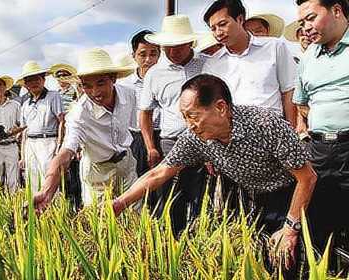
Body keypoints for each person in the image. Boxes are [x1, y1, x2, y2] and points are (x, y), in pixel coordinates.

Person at [112, 74, 317, 274]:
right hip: (251, 199)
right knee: (258, 263)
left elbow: (307, 177)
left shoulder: (266, 125)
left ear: (221, 107)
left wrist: (291, 228)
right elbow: (159, 172)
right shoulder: (195, 138)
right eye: (184, 117)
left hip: (292, 198)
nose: (189, 125)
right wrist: (120, 203)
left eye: (193, 116)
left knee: (292, 262)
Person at [33, 48, 137, 209]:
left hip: (126, 163)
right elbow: (66, 152)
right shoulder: (79, 113)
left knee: (134, 216)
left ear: (113, 78)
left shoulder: (129, 95)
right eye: (87, 86)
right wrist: (47, 190)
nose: (95, 92)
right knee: (100, 221)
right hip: (98, 172)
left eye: (100, 83)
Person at [141, 15, 207, 235]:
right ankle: (172, 243)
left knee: (202, 197)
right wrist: (151, 146)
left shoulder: (206, 64)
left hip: (205, 141)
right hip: (171, 142)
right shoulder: (154, 74)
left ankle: (201, 241)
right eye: (168, 47)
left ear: (190, 43)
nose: (173, 52)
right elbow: (145, 114)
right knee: (171, 197)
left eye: (179, 46)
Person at [293, 0, 349, 254]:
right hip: (319, 152)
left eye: (311, 18)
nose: (306, 27)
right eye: (302, 22)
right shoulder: (308, 58)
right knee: (319, 229)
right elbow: (302, 103)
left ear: (336, 10)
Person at [203, 0, 297, 128]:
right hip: (234, 133)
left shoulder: (274, 47)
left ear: (240, 19)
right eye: (213, 29)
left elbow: (288, 91)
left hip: (273, 130)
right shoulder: (212, 63)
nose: (218, 33)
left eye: (223, 24)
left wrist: (291, 131)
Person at [17, 61, 66, 194]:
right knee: (31, 176)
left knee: (49, 176)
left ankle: (54, 209)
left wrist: (59, 145)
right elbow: (24, 130)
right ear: (26, 85)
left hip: (48, 141)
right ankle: (36, 209)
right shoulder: (26, 104)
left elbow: (61, 121)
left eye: (37, 79)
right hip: (30, 143)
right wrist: (22, 155)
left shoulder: (53, 96)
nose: (34, 83)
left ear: (43, 80)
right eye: (30, 80)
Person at [118, 30, 161, 178]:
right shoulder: (124, 85)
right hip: (136, 139)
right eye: (143, 54)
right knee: (139, 181)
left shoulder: (165, 80)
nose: (148, 59)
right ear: (134, 56)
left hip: (162, 136)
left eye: (153, 54)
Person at [51, 63, 83, 209]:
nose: (62, 78)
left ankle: (78, 203)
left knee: (77, 172)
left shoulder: (76, 92)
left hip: (77, 131)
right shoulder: (55, 94)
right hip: (64, 131)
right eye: (59, 76)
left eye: (64, 75)